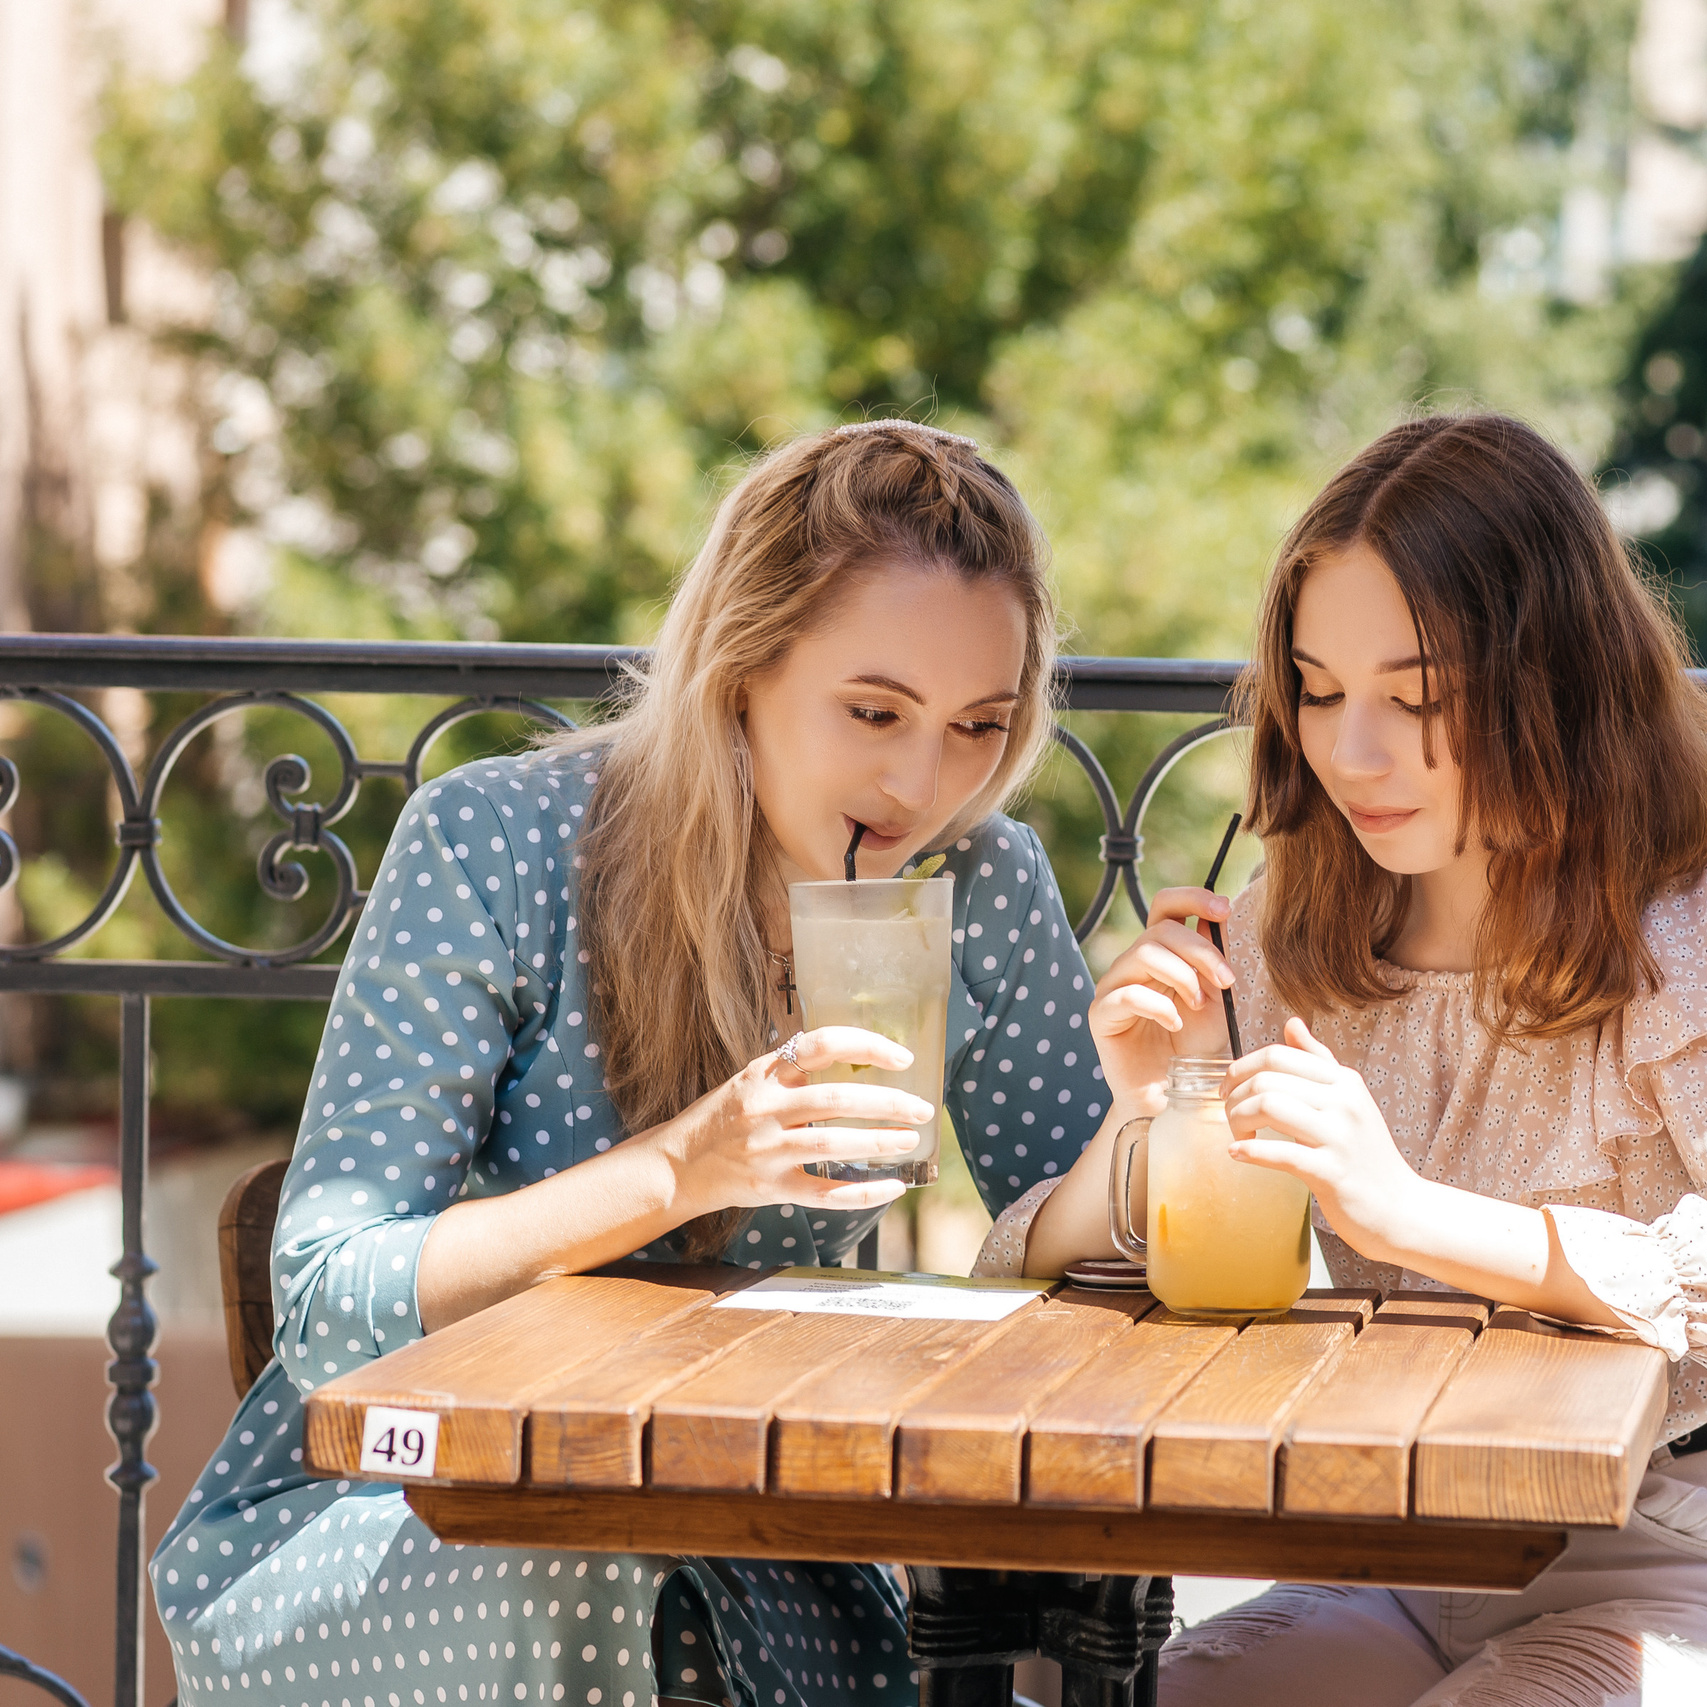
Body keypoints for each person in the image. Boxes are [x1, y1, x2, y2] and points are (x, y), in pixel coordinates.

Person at [156, 420, 1111, 1707]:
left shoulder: (974, 884)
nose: (922, 782)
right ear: (741, 670)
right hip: (407, 1511)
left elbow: (1084, 1249)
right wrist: (682, 1168)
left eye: (978, 726)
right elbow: (331, 1305)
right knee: (605, 1571)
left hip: (750, 1520)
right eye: (875, 711)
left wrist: (1151, 1103)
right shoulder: (496, 844)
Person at [979, 413, 1707, 1706]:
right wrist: (1153, 1108)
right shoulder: (1293, 926)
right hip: (1404, 1556)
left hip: (1689, 1557)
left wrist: (1406, 1211)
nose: (1352, 752)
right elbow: (1056, 1278)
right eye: (1320, 690)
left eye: (1418, 698)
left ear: (1553, 682)